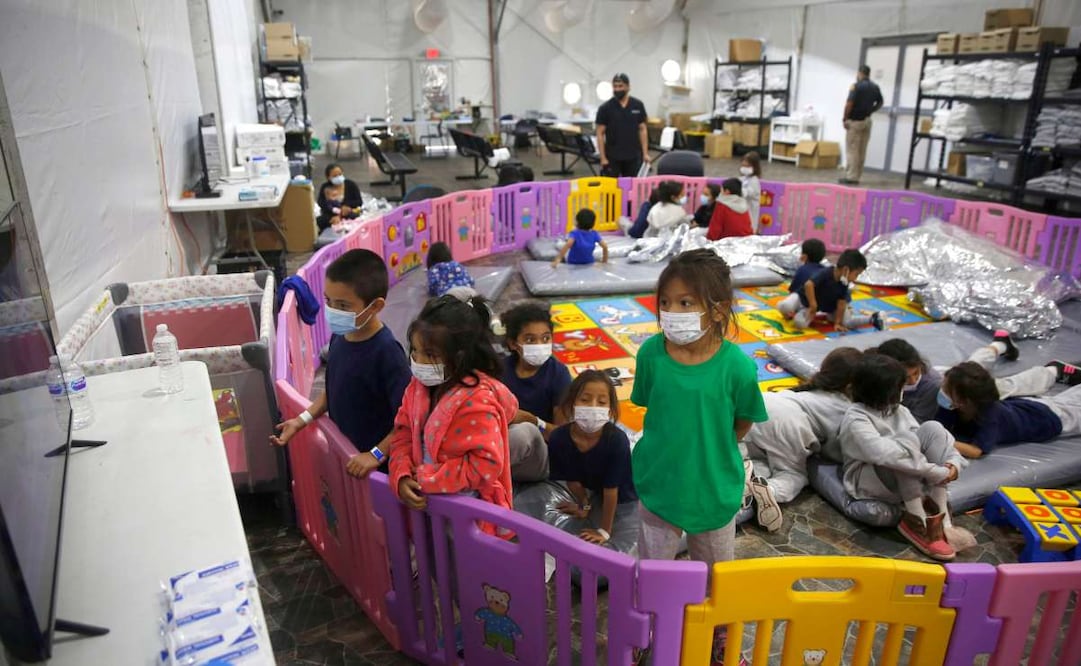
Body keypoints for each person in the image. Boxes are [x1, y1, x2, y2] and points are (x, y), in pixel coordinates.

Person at [631, 249, 767, 664]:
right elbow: (649, 406)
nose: (672, 313)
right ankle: (653, 633)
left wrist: (710, 445)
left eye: (685, 303)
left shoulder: (738, 369)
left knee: (716, 578)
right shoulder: (651, 354)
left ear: (718, 308)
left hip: (713, 489)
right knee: (655, 573)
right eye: (666, 303)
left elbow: (742, 423)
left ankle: (720, 639)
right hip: (660, 486)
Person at [387, 293, 519, 539]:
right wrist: (402, 474)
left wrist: (428, 478)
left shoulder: (477, 400)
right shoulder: (417, 387)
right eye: (415, 351)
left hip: (466, 515)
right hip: (426, 506)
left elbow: (486, 464)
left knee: (461, 572)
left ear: (458, 357)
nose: (418, 361)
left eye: (430, 354)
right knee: (435, 562)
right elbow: (402, 433)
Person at [270, 249, 410, 480]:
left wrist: (375, 454)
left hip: (377, 472)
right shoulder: (340, 336)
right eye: (328, 301)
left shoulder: (387, 353)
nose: (333, 311)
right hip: (348, 458)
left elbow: (408, 420)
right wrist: (301, 420)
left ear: (375, 306)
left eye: (343, 306)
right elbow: (334, 388)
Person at [839, 354, 964, 561]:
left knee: (933, 428)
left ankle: (944, 521)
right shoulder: (856, 417)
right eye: (900, 385)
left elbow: (929, 439)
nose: (904, 389)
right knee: (903, 446)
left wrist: (953, 464)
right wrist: (934, 472)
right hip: (870, 479)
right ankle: (918, 522)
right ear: (885, 391)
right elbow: (883, 454)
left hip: (910, 475)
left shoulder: (898, 410)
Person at [742, 346, 863, 531]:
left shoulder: (809, 389)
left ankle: (743, 467)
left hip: (763, 402)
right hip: (788, 424)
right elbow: (834, 449)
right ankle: (767, 489)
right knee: (794, 474)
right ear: (851, 386)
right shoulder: (846, 407)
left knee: (752, 449)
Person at [874, 335, 1074, 424]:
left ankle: (1053, 371)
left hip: (956, 385)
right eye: (906, 377)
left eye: (915, 374)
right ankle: (1000, 345)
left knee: (1004, 387)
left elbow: (915, 422)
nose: (911, 380)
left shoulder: (932, 387)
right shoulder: (882, 373)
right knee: (972, 365)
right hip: (950, 377)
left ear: (920, 366)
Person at [547, 370, 637, 547]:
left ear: (610, 409)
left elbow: (611, 491)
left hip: (623, 494)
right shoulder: (559, 438)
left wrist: (604, 531)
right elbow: (573, 482)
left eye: (602, 402)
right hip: (594, 488)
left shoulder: (616, 441)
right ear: (572, 403)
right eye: (585, 399)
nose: (593, 407)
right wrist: (584, 506)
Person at [935, 361, 1081, 459]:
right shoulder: (951, 405)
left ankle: (1057, 371)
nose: (942, 389)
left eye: (946, 388)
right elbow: (937, 428)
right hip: (1025, 406)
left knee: (1069, 408)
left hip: (1047, 419)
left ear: (963, 401)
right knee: (1064, 401)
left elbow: (976, 451)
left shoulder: (990, 415)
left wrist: (942, 441)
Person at [500, 302, 572, 482]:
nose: (540, 345)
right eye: (531, 340)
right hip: (499, 444)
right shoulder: (500, 370)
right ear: (513, 343)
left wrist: (531, 420)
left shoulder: (558, 374)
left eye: (546, 338)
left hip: (541, 457)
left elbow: (562, 438)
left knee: (522, 433)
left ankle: (480, 475)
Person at [778, 248, 885, 332]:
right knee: (784, 306)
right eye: (856, 274)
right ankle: (791, 312)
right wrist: (813, 304)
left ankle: (872, 319)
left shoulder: (844, 283)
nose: (855, 278)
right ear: (846, 270)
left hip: (816, 308)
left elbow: (841, 303)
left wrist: (837, 323)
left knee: (800, 323)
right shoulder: (826, 273)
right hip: (802, 299)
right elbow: (809, 285)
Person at [595, 73, 650, 178]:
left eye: (620, 86)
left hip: (633, 155)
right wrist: (602, 158)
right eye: (615, 86)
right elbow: (600, 133)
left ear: (628, 87)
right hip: (612, 156)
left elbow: (642, 129)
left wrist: (645, 153)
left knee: (632, 188)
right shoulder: (605, 108)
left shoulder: (638, 105)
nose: (617, 89)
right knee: (611, 189)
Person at [840, 65, 883, 185]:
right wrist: (871, 110)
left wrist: (845, 118)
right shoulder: (875, 87)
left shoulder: (856, 86)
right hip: (867, 121)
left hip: (855, 122)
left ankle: (851, 177)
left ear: (859, 73)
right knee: (862, 150)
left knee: (852, 150)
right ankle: (857, 175)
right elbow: (880, 102)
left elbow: (849, 103)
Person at [775, 239, 827, 318]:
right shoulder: (825, 270)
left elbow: (792, 291)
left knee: (783, 306)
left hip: (804, 303)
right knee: (800, 321)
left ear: (804, 256)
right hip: (817, 307)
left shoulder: (802, 270)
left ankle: (795, 313)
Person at [316, 163, 364, 232]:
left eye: (340, 174)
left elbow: (359, 202)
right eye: (335, 176)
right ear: (328, 177)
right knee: (321, 220)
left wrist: (346, 207)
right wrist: (334, 215)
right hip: (331, 214)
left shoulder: (351, 185)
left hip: (348, 213)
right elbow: (321, 203)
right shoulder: (325, 187)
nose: (338, 177)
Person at [739, 152, 762, 232]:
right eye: (743, 165)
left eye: (747, 166)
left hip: (750, 213)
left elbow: (746, 193)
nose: (744, 168)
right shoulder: (742, 179)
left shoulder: (754, 181)